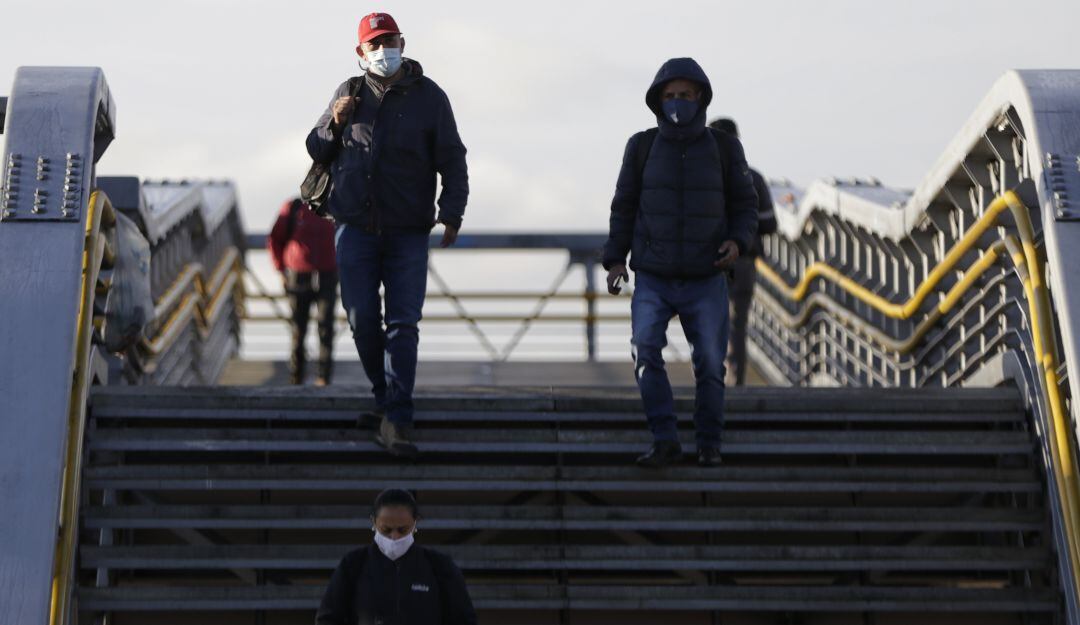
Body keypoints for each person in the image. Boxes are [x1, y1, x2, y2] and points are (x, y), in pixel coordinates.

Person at [306, 12, 468, 459]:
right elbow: (317, 148)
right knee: (360, 319)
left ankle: (398, 415)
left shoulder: (430, 97)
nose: (383, 50)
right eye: (374, 45)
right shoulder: (348, 92)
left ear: (403, 42)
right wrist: (334, 124)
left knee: (403, 324)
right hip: (354, 227)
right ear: (361, 53)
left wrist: (451, 212)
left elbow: (452, 158)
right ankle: (385, 400)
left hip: (408, 231)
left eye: (389, 41)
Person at [602, 58, 759, 468]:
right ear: (657, 101)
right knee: (644, 351)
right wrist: (615, 260)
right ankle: (665, 439)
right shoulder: (641, 146)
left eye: (685, 96)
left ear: (701, 98)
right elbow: (624, 206)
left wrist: (738, 242)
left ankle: (708, 444)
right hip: (653, 275)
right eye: (669, 96)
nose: (677, 103)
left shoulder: (724, 147)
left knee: (709, 363)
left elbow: (746, 206)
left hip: (706, 276)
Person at [316, 488, 477, 625]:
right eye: (386, 529)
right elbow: (328, 619)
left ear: (415, 523)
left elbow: (463, 619)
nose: (394, 537)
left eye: (402, 530)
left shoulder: (439, 566)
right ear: (374, 522)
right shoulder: (353, 564)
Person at [709, 118, 777, 386]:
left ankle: (711, 381)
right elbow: (770, 223)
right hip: (744, 262)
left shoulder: (701, 180)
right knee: (737, 325)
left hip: (709, 263)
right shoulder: (754, 178)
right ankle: (736, 382)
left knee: (709, 322)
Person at [267, 197, 339, 386]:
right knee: (299, 329)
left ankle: (324, 377)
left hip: (327, 274)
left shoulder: (337, 206)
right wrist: (280, 269)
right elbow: (275, 238)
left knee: (326, 327)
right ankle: (296, 377)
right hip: (299, 275)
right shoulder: (293, 208)